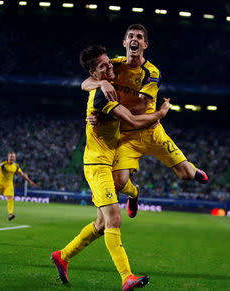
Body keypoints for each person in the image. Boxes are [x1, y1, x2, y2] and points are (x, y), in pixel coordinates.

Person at [51, 45, 171, 291]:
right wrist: (160, 113)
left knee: (101, 224)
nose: (110, 67)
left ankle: (62, 256)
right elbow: (134, 120)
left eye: (109, 63)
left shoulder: (106, 85)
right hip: (97, 165)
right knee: (114, 218)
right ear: (95, 73)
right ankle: (127, 276)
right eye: (103, 67)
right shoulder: (103, 95)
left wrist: (99, 83)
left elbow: (85, 83)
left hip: (110, 159)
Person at [81, 24, 209, 218]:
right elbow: (85, 83)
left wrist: (110, 113)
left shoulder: (151, 72)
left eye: (139, 37)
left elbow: (141, 107)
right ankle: (134, 193)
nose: (135, 39)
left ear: (145, 45)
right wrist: (102, 82)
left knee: (185, 175)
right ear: (124, 43)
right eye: (130, 36)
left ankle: (192, 169)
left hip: (150, 130)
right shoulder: (113, 65)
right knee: (119, 183)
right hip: (125, 137)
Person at [0, 151, 37, 220]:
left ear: (15, 158)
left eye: (13, 157)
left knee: (10, 197)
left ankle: (10, 214)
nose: (12, 158)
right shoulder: (3, 164)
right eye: (11, 156)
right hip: (0, 184)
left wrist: (29, 181)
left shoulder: (16, 166)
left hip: (9, 184)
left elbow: (22, 174)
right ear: (8, 157)